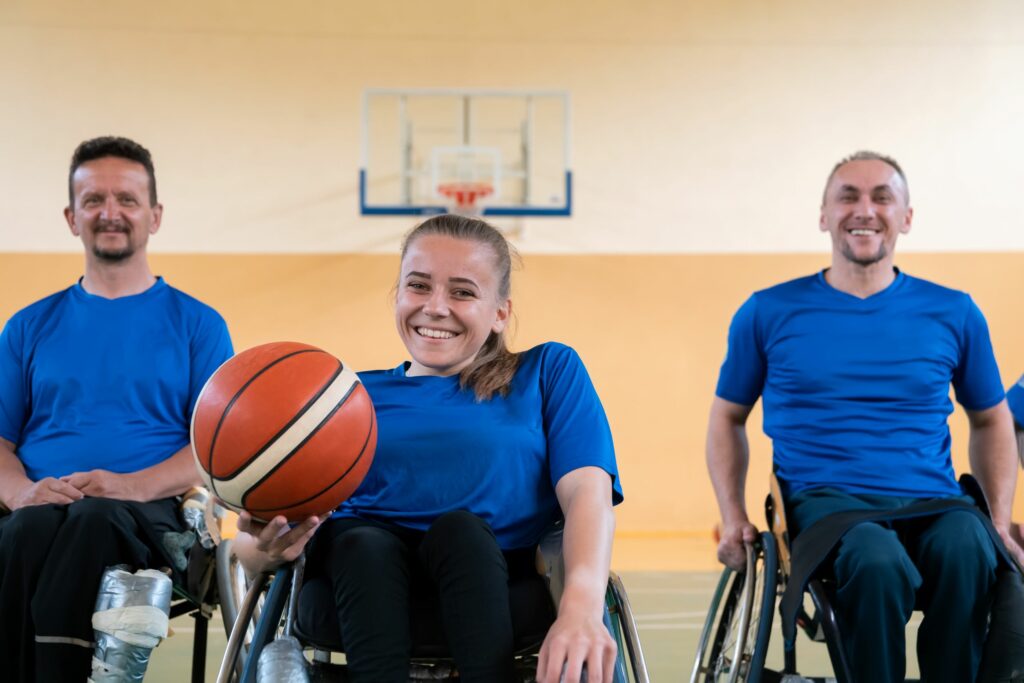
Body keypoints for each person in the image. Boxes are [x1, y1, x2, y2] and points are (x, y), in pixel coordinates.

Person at [235, 214, 623, 683]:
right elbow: (254, 547)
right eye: (418, 286)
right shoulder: (342, 397)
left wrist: (582, 605)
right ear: (398, 295)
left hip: (493, 573)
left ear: (501, 311)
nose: (436, 307)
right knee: (362, 543)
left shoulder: (544, 372)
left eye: (462, 291)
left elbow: (587, 493)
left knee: (461, 533)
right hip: (357, 574)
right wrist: (263, 547)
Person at [707, 150, 1024, 683]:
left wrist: (997, 517)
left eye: (882, 197)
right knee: (876, 561)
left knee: (969, 547)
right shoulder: (767, 311)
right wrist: (732, 513)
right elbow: (727, 418)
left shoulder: (954, 311)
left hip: (933, 499)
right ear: (824, 214)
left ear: (905, 217)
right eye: (848, 196)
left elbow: (992, 420)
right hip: (827, 503)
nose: (865, 210)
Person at [0, 136, 233, 681]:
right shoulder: (28, 326)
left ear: (154, 216)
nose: (110, 213)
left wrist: (131, 486)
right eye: (94, 199)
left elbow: (213, 450)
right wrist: (21, 494)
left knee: (94, 516)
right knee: (27, 529)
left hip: (148, 514)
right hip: (39, 506)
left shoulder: (199, 325)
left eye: (127, 199)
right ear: (71, 216)